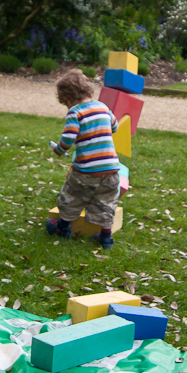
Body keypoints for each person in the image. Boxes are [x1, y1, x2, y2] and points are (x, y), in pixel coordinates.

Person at [47, 69, 120, 249]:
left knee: (72, 196)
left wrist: (59, 149)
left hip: (86, 171)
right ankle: (105, 238)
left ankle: (62, 228)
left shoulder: (75, 112)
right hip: (111, 169)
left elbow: (69, 139)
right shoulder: (103, 107)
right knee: (106, 202)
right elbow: (115, 126)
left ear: (68, 99)